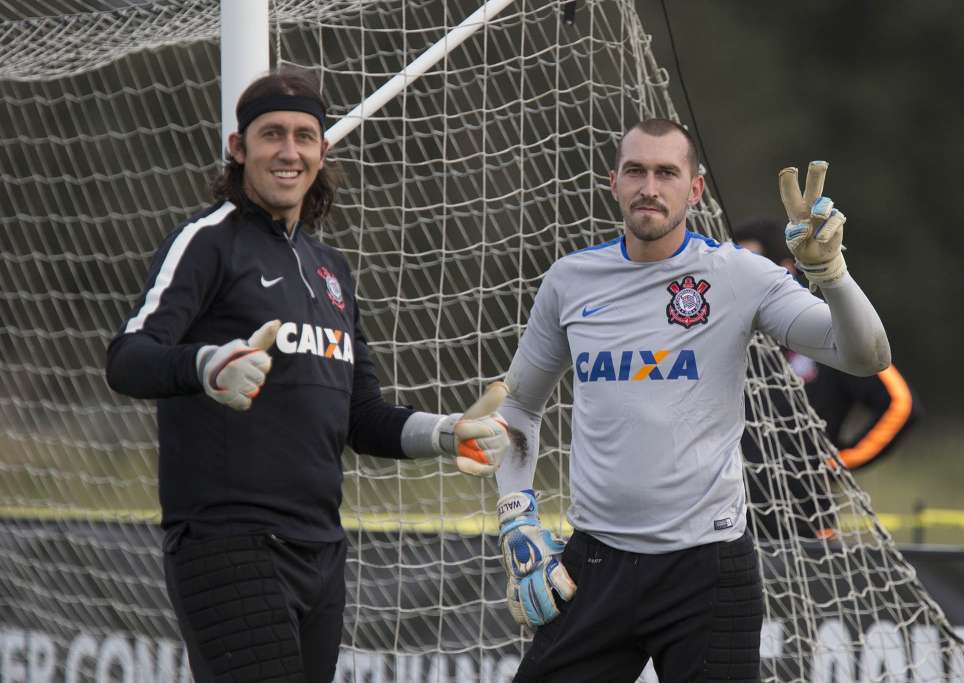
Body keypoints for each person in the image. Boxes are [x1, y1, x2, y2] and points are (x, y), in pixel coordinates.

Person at [105, 68, 509, 683]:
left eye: (304, 136)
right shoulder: (208, 242)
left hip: (322, 550)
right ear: (239, 149)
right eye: (271, 135)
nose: (288, 151)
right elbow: (127, 358)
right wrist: (207, 366)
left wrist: (447, 432)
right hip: (229, 543)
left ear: (322, 151)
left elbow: (362, 416)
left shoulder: (330, 270)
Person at [491, 118, 892, 682]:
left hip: (709, 571)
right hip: (595, 562)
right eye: (635, 171)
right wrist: (516, 516)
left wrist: (831, 273)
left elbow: (865, 355)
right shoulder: (569, 281)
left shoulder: (739, 275)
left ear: (695, 188)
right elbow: (519, 411)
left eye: (666, 172)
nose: (649, 187)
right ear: (614, 182)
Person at [733, 217, 922, 540]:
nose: (740, 274)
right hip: (725, 520)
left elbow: (901, 403)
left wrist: (838, 460)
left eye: (753, 261)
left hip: (805, 521)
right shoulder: (721, 329)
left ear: (785, 268)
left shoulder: (817, 327)